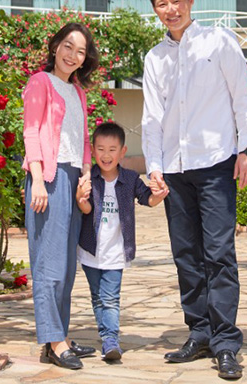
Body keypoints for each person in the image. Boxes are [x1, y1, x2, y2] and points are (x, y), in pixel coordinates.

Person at [141, 0, 247, 381]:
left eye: (176, 0)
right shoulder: (154, 58)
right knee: (186, 256)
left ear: (190, 0)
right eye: (162, 4)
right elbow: (152, 118)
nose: (170, 9)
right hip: (174, 170)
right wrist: (154, 167)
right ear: (155, 10)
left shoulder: (219, 41)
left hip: (215, 164)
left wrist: (246, 148)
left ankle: (226, 342)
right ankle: (200, 333)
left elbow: (243, 96)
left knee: (219, 255)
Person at [23, 22, 100, 370]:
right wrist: (38, 180)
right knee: (48, 265)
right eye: (68, 46)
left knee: (67, 267)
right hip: (49, 179)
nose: (72, 55)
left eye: (80, 51)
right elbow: (31, 132)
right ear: (55, 46)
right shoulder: (40, 82)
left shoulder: (78, 91)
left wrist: (85, 176)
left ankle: (59, 337)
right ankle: (55, 341)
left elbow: (83, 139)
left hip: (72, 178)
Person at [75, 121, 168, 362]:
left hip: (116, 250)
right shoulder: (89, 178)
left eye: (112, 149)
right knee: (97, 297)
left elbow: (147, 199)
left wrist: (159, 196)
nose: (106, 155)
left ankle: (111, 340)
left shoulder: (129, 178)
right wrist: (80, 198)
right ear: (93, 151)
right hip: (90, 249)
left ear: (122, 151)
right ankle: (105, 334)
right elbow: (86, 210)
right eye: (101, 149)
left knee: (110, 297)